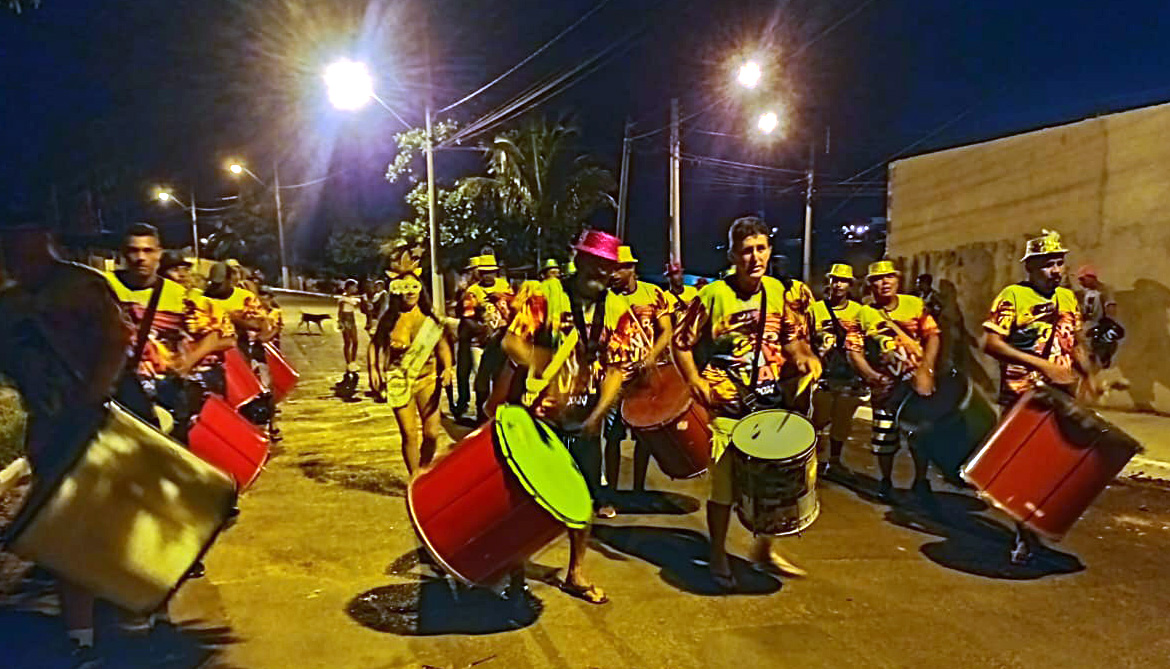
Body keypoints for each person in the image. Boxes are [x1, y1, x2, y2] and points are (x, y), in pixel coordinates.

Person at [0, 211, 127, 668]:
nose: (19, 258)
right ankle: (82, 636)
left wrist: (92, 397)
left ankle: (135, 608)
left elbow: (118, 342)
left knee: (116, 525)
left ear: (47, 240)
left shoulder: (83, 287)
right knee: (65, 533)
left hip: (102, 426)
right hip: (51, 434)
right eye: (10, 249)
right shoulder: (9, 306)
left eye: (26, 245)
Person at [674, 216, 822, 589]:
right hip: (727, 402)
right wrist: (693, 380)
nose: (754, 257)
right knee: (723, 487)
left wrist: (804, 358)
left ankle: (764, 549)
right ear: (733, 255)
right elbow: (681, 343)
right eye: (746, 251)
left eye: (760, 249)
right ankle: (718, 554)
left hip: (769, 400)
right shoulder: (712, 296)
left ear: (769, 251)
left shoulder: (778, 292)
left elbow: (791, 340)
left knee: (775, 482)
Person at [504, 229, 650, 605]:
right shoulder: (546, 295)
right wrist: (542, 366)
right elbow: (511, 342)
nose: (600, 272)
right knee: (524, 499)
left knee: (582, 501)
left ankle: (575, 571)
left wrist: (597, 416)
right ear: (579, 260)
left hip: (585, 419)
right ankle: (516, 573)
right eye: (595, 263)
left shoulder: (617, 309)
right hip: (538, 417)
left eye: (607, 267)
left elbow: (617, 368)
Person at [981, 230, 1095, 564]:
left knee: (1052, 466)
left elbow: (1072, 341)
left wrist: (1087, 374)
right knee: (1024, 467)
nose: (1055, 270)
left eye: (1059, 263)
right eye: (1047, 264)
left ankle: (1034, 528)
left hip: (1061, 395)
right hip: (1023, 395)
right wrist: (1042, 365)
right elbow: (991, 343)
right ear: (1030, 268)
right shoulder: (1013, 297)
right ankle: (1024, 535)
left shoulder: (1067, 298)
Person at [105, 225, 228, 435]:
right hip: (114, 388)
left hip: (165, 391)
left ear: (159, 254)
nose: (140, 258)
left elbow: (219, 333)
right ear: (123, 254)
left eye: (148, 251)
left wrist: (188, 361)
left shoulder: (182, 296)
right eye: (134, 251)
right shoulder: (102, 286)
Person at [846, 260, 940, 503]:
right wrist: (872, 376)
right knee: (884, 436)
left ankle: (921, 481)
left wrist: (927, 368)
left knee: (920, 435)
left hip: (915, 385)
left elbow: (932, 336)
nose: (884, 282)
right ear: (870, 285)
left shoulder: (915, 305)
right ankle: (886, 481)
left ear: (898, 280)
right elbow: (854, 350)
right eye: (878, 279)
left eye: (889, 277)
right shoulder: (863, 314)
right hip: (886, 389)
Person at [604, 245, 673, 500]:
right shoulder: (605, 298)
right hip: (615, 379)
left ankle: (638, 490)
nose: (611, 274)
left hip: (645, 379)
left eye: (617, 268)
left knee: (645, 437)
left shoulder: (653, 294)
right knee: (612, 436)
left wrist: (652, 356)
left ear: (630, 268)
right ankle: (610, 492)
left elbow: (666, 330)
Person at [375, 268, 454, 473]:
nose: (410, 292)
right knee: (409, 434)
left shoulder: (431, 320)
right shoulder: (389, 319)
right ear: (396, 291)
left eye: (414, 287)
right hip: (399, 379)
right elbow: (375, 345)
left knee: (432, 433)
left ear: (421, 290)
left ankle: (424, 468)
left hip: (428, 378)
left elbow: (443, 346)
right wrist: (374, 370)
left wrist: (447, 368)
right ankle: (415, 478)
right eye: (404, 288)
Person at [157, 251, 237, 434]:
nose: (182, 274)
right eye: (175, 270)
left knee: (211, 432)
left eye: (184, 269)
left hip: (205, 376)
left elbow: (229, 339)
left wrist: (190, 359)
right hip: (168, 377)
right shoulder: (155, 304)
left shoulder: (201, 302)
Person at [809, 264, 867, 481]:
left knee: (842, 422)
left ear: (850, 285)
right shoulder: (816, 310)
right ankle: (812, 460)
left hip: (848, 377)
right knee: (818, 419)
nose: (838, 285)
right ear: (829, 283)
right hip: (823, 375)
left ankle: (834, 462)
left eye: (843, 281)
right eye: (835, 280)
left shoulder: (859, 311)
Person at [461, 254, 514, 422]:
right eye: (485, 272)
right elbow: (467, 317)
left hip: (502, 340)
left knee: (500, 378)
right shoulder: (473, 292)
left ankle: (497, 414)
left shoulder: (504, 286)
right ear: (480, 273)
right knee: (481, 378)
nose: (488, 275)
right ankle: (481, 414)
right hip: (481, 342)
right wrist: (483, 330)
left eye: (491, 272)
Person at [1075, 265, 1123, 369]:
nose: (1081, 282)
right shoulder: (1087, 292)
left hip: (1100, 327)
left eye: (1083, 279)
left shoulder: (1105, 290)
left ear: (1091, 277)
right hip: (1088, 328)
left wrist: (1106, 326)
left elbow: (1111, 309)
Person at [364, 279, 390, 399]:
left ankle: (381, 384)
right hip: (376, 324)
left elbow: (382, 310)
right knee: (377, 350)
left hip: (381, 324)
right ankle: (377, 383)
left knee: (382, 352)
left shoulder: (383, 295)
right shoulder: (376, 296)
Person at [337, 279, 362, 390]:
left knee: (355, 341)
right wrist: (340, 322)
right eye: (354, 287)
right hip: (345, 319)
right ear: (349, 287)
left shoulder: (352, 298)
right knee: (348, 342)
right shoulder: (343, 299)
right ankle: (349, 364)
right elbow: (340, 311)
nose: (356, 289)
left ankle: (353, 361)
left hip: (352, 319)